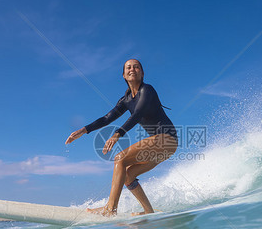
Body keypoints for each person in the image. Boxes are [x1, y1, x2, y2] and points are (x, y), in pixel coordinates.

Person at [65, 59, 178, 216]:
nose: (132, 69)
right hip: (162, 146)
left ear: (142, 73)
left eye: (136, 67)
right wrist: (84, 130)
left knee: (120, 158)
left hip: (167, 139)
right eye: (128, 68)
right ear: (124, 75)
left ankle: (110, 209)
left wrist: (118, 133)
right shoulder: (125, 100)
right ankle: (148, 211)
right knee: (128, 175)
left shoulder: (147, 90)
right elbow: (107, 118)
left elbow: (138, 114)